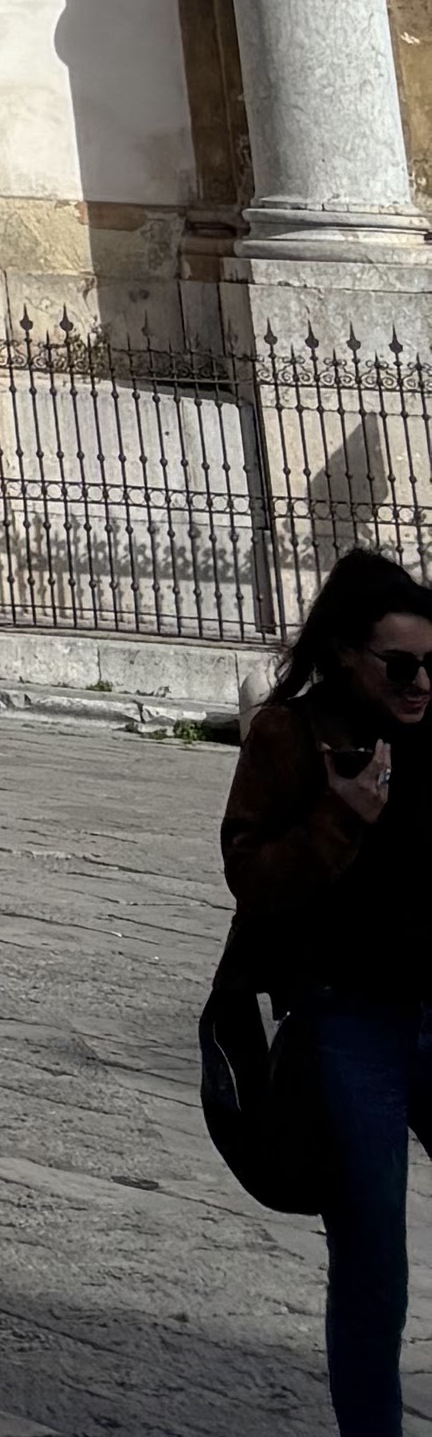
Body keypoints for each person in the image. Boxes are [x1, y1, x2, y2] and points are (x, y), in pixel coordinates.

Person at [227, 545, 432, 1429]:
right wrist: (340, 817)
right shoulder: (290, 735)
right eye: (402, 665)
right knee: (374, 1263)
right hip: (353, 1025)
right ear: (349, 654)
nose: (422, 681)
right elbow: (250, 875)